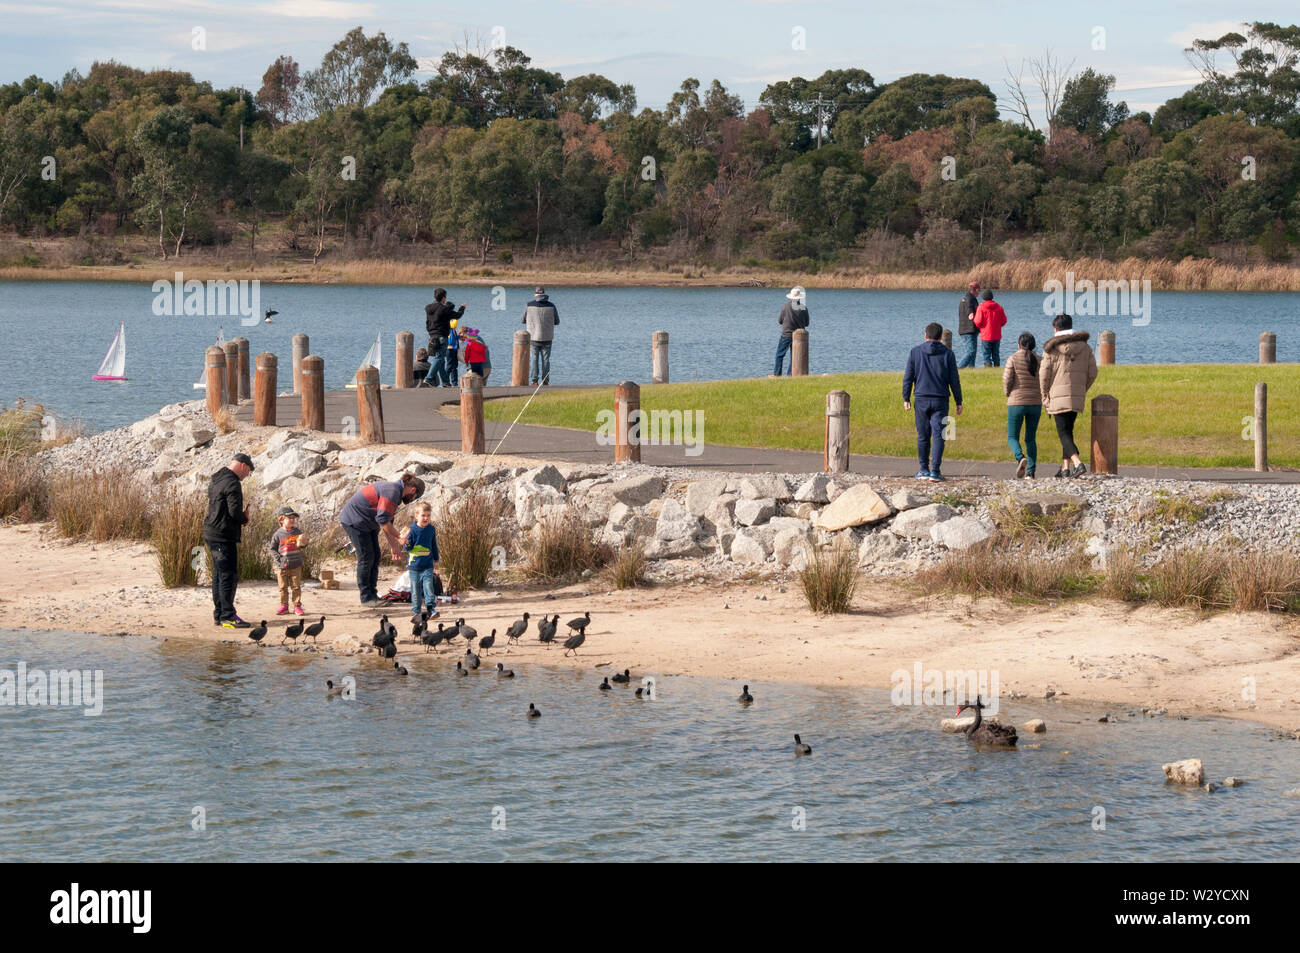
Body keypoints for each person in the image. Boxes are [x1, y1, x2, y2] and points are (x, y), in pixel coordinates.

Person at [337, 473, 426, 607]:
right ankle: (366, 598)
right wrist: (399, 537)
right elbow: (384, 521)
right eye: (415, 498)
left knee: (376, 555)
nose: (413, 501)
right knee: (366, 557)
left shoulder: (395, 494)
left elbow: (387, 522)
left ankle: (373, 594)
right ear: (413, 490)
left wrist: (394, 545)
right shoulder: (392, 491)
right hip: (355, 521)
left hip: (368, 522)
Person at [903, 323, 963, 482]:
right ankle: (935, 471)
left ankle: (923, 469)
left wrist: (906, 398)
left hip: (921, 399)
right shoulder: (948, 354)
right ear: (940, 337)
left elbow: (908, 377)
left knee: (923, 435)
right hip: (941, 400)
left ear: (925, 335)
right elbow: (954, 380)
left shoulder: (915, 352)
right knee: (939, 436)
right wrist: (959, 400)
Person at [1039, 314, 1098, 479]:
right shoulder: (1085, 347)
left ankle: (1078, 463)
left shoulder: (1051, 349)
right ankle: (1065, 468)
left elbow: (1044, 375)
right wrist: (1082, 388)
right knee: (1068, 431)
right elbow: (1093, 372)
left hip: (1056, 396)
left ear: (1055, 329)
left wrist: (1044, 396)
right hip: (1077, 395)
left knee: (1063, 433)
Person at [203, 452, 254, 628]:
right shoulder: (232, 483)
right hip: (223, 536)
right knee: (228, 576)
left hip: (211, 533)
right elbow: (234, 512)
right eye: (248, 473)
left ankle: (219, 614)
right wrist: (245, 519)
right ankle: (227, 616)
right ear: (243, 467)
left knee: (218, 575)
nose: (246, 477)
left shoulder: (217, 478)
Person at [1003, 332, 1043, 479]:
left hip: (1016, 402)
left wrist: (1008, 393)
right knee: (1031, 438)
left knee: (1012, 436)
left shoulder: (1013, 358)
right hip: (1035, 403)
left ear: (1019, 345)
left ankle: (1020, 458)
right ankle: (1031, 472)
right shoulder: (1040, 360)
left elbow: (1007, 380)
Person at [400, 501, 440, 622]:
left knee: (429, 587)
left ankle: (430, 609)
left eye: (428, 515)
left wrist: (436, 560)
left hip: (428, 565)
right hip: (414, 567)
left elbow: (434, 545)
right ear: (416, 515)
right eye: (423, 515)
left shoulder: (431, 529)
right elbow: (407, 548)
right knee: (415, 591)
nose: (426, 518)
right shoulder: (411, 530)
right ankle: (416, 612)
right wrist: (406, 542)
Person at [423, 288, 465, 387]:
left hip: (432, 337)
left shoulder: (428, 308)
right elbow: (457, 315)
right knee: (439, 358)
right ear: (443, 298)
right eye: (445, 297)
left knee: (441, 359)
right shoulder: (444, 309)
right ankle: (429, 378)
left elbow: (427, 323)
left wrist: (430, 333)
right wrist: (462, 308)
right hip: (441, 337)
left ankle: (446, 382)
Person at [269, 506, 305, 615]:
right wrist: (279, 559)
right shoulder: (278, 534)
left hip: (296, 564)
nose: (292, 520)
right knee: (282, 587)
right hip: (282, 566)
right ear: (281, 520)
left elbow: (302, 545)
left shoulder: (297, 532)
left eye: (293, 518)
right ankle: (284, 606)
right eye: (289, 518)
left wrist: (304, 542)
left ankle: (297, 606)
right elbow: (272, 549)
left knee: (296, 586)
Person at [522, 287, 559, 385]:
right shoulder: (552, 306)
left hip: (533, 337)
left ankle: (534, 381)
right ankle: (545, 381)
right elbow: (557, 321)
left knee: (534, 359)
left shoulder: (529, 305)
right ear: (544, 294)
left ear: (535, 295)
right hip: (547, 337)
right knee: (546, 360)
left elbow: (522, 320)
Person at [773, 286, 809, 376]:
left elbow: (780, 321)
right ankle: (791, 374)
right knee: (794, 357)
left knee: (779, 355)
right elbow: (807, 323)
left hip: (786, 335)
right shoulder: (803, 308)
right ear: (799, 297)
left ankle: (777, 374)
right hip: (799, 336)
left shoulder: (785, 307)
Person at [972, 289, 1007, 368]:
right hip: (997, 335)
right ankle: (997, 368)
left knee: (986, 355)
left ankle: (988, 368)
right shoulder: (999, 307)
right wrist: (997, 326)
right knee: (996, 354)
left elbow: (977, 321)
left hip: (986, 335)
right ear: (992, 297)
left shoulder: (981, 307)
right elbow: (1004, 321)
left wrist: (982, 327)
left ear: (983, 298)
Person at [957, 281, 980, 369]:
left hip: (964, 329)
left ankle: (971, 370)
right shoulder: (970, 299)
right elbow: (969, 309)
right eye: (978, 290)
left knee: (972, 353)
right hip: (969, 330)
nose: (979, 293)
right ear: (976, 290)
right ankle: (958, 369)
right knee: (971, 352)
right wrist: (971, 314)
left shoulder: (964, 298)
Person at [446, 319, 459, 387]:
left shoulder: (453, 330)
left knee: (454, 366)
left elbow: (454, 338)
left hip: (454, 349)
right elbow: (450, 340)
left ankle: (454, 382)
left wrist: (459, 337)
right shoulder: (449, 329)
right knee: (449, 365)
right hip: (449, 349)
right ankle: (445, 381)